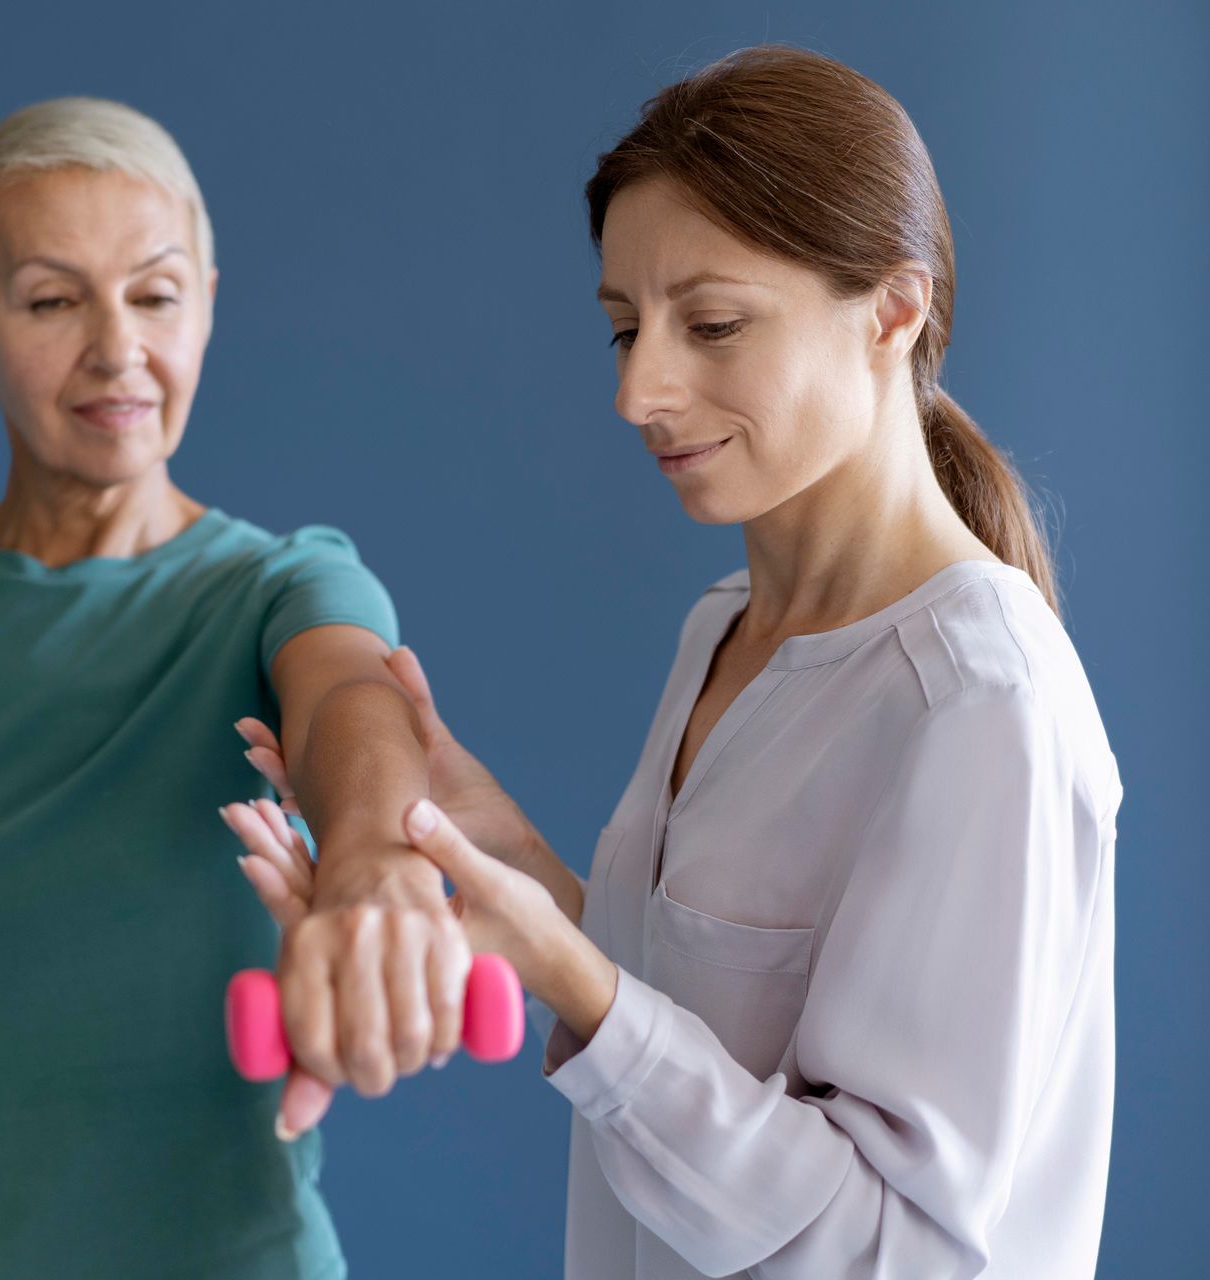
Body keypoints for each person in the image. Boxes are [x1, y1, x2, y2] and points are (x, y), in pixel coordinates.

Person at [225, 46, 1119, 1280]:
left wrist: (568, 971)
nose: (641, 389)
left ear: (894, 312)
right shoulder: (724, 627)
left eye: (713, 325)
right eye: (625, 328)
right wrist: (504, 865)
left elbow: (898, 1248)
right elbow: (715, 1045)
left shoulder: (976, 697)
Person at [0, 97, 474, 1280]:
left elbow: (350, 698)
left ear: (209, 309)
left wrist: (377, 864)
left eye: (156, 293)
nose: (116, 347)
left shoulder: (284, 586)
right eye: (49, 298)